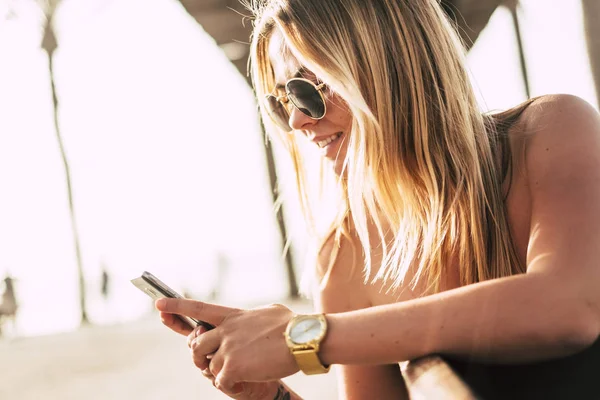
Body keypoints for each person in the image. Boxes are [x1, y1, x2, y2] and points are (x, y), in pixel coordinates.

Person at [156, 0, 600, 398]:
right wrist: (273, 397)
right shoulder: (345, 251)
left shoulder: (545, 133)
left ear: (391, 65)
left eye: (307, 90)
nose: (295, 121)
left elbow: (569, 306)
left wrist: (302, 338)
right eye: (279, 101)